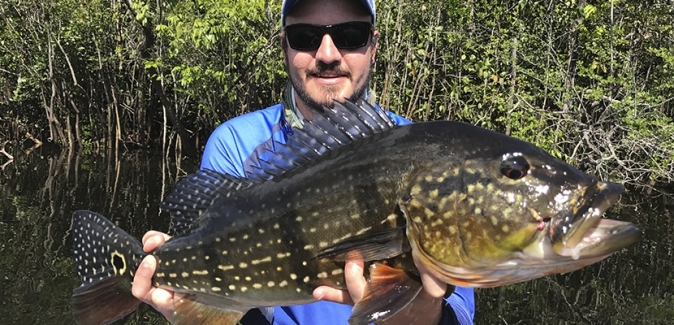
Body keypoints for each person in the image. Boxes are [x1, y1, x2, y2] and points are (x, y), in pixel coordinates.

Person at [131, 0, 476, 324]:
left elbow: (461, 309)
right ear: (284, 46)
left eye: (349, 35)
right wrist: (203, 309)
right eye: (305, 37)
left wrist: (424, 316)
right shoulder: (236, 144)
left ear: (373, 45)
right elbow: (218, 274)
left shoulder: (428, 155)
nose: (327, 54)